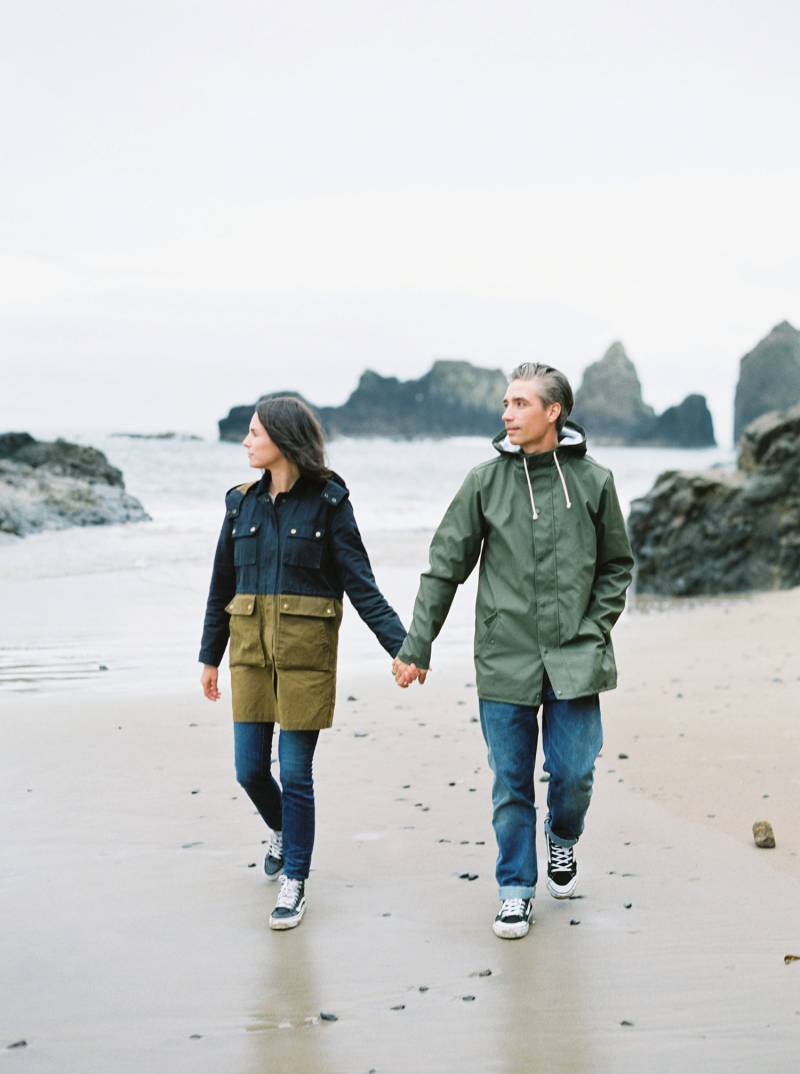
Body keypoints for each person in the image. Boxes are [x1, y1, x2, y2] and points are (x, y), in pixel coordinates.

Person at [392, 362, 634, 940]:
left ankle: (563, 838)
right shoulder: (484, 482)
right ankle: (515, 890)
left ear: (553, 412)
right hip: (505, 656)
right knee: (511, 781)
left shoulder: (595, 481)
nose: (507, 413)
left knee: (573, 773)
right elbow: (444, 569)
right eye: (506, 402)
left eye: (521, 403)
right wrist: (416, 645)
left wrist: (595, 627)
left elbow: (616, 565)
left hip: (576, 655)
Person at [199, 396, 405, 930]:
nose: (245, 442)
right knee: (249, 770)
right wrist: (209, 657)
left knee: (295, 773)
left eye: (253, 433)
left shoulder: (330, 503)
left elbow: (362, 585)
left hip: (305, 661)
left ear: (283, 440)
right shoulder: (239, 504)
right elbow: (222, 584)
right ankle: (284, 830)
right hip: (248, 657)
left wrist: (403, 647)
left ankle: (295, 879)